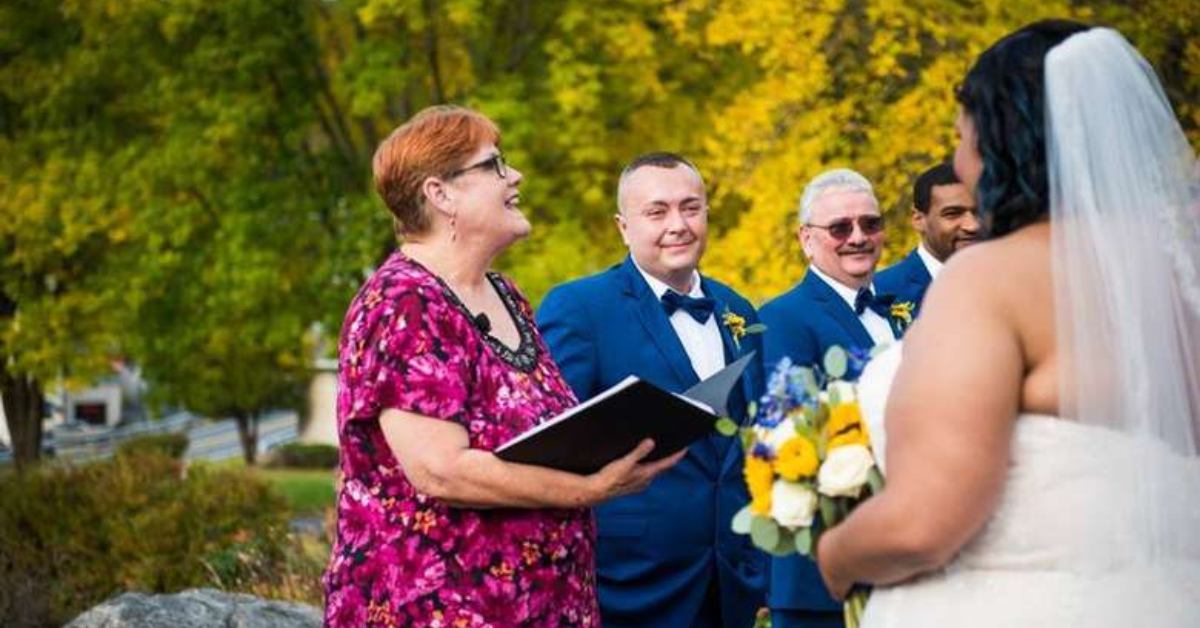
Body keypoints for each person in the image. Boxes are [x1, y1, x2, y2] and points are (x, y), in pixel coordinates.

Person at [816, 21, 1200, 626]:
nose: (960, 161)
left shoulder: (990, 280)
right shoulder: (1176, 283)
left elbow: (923, 524)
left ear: (1001, 141)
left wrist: (835, 555)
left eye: (961, 138)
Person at [322, 106, 684, 627]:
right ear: (439, 194)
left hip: (545, 602)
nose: (514, 176)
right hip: (439, 606)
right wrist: (587, 491)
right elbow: (441, 470)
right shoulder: (403, 303)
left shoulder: (505, 294)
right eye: (493, 165)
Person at [537, 152, 768, 627]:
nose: (678, 224)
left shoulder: (738, 307)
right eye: (657, 211)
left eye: (691, 207)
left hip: (730, 584)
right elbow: (554, 444)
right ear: (624, 227)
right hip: (628, 584)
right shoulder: (579, 307)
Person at [758, 167, 900, 628]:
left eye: (870, 224)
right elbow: (792, 436)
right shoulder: (783, 319)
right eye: (840, 227)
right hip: (819, 568)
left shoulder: (903, 310)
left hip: (902, 552)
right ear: (807, 239)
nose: (858, 237)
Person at [875, 162, 978, 315]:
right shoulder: (881, 293)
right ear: (918, 220)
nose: (973, 226)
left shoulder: (1013, 283)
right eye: (953, 214)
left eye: (980, 211)